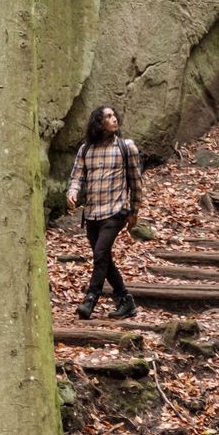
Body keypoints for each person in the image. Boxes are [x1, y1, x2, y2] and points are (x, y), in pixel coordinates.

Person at [66, 105, 143, 320]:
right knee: (104, 257)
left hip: (116, 211)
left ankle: (90, 299)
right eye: (108, 117)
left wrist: (134, 211)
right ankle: (125, 300)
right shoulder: (86, 150)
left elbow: (136, 182)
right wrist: (72, 192)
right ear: (98, 123)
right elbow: (77, 176)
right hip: (91, 214)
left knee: (100, 253)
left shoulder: (126, 147)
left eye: (114, 115)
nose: (114, 119)